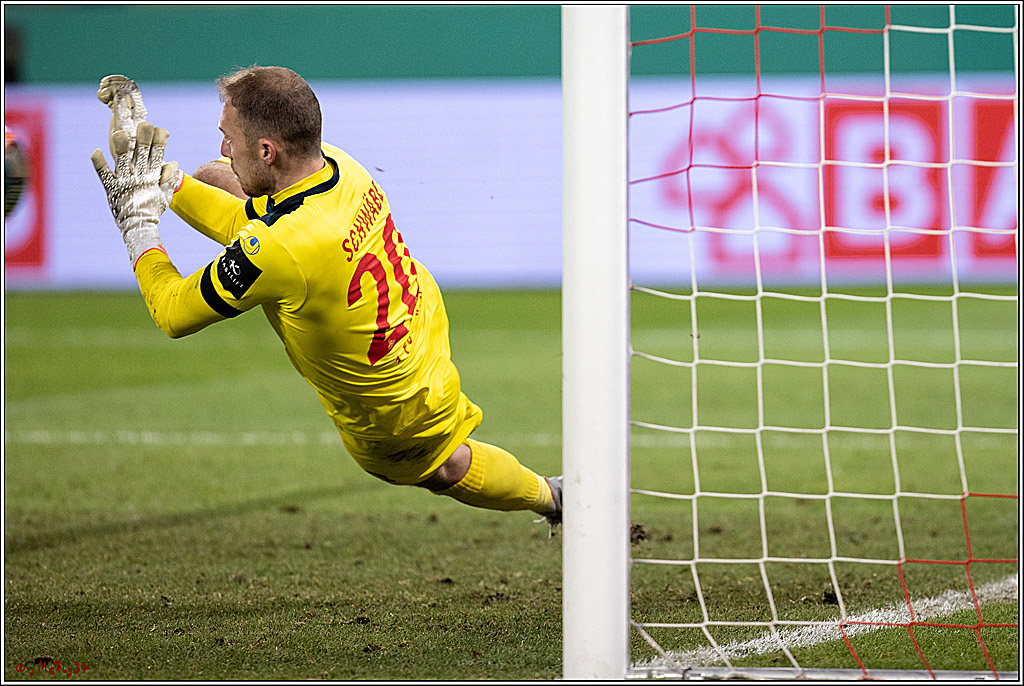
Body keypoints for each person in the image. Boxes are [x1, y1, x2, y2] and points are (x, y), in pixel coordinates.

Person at [91, 67, 561, 531]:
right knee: (212, 178)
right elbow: (257, 220)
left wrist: (138, 225)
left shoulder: (280, 247)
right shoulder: (339, 166)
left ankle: (554, 495)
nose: (222, 149)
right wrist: (166, 183)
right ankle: (557, 494)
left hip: (394, 406)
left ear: (268, 151)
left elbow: (174, 311)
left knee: (445, 468)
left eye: (229, 138)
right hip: (416, 322)